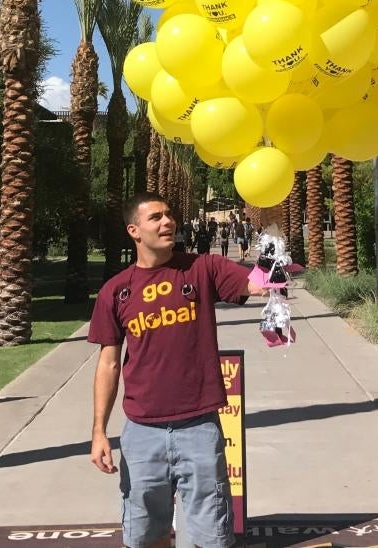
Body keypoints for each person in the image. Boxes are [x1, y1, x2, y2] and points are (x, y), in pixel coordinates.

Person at [88, 193, 265, 548]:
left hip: (199, 427)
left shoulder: (202, 268)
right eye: (156, 217)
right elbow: (108, 363)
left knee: (211, 534)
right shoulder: (116, 291)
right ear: (134, 230)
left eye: (170, 215)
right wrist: (99, 431)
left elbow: (254, 284)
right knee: (144, 533)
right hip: (141, 431)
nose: (167, 222)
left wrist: (274, 261)